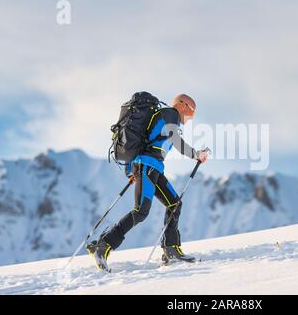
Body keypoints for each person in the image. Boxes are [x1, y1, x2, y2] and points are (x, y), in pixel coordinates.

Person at [87, 93, 209, 271]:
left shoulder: (166, 116)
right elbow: (176, 141)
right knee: (141, 211)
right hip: (147, 166)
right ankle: (103, 245)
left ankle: (171, 250)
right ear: (182, 105)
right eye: (192, 111)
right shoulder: (171, 114)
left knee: (174, 204)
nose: (191, 117)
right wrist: (196, 155)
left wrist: (131, 170)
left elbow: (144, 141)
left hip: (153, 168)